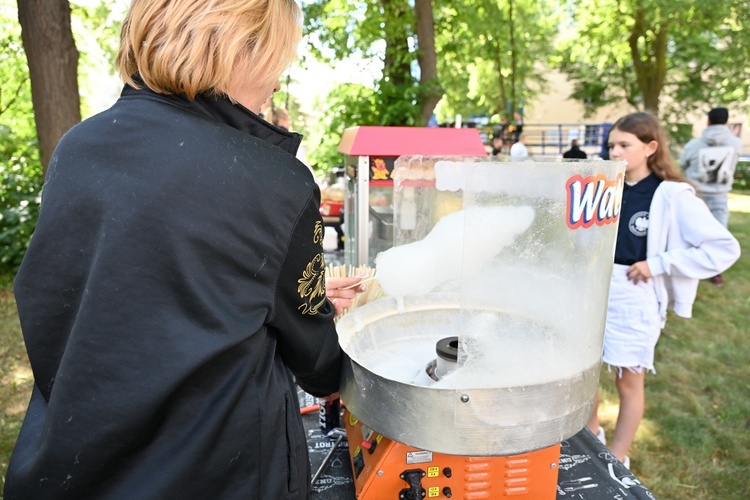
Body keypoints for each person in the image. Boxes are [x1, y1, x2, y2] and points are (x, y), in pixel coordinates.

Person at [4, 1, 365, 499]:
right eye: (279, 58)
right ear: (241, 51)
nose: (279, 79)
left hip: (74, 464)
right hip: (216, 473)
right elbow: (320, 363)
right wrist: (316, 311)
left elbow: (118, 294)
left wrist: (281, 295)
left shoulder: (78, 147)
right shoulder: (274, 181)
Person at [586, 111, 740, 470]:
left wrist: (658, 264)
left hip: (634, 293)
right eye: (611, 145)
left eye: (625, 145)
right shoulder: (607, 187)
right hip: (595, 289)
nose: (615, 152)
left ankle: (618, 457)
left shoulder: (671, 195)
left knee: (628, 381)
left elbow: (723, 247)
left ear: (651, 147)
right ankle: (592, 437)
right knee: (586, 373)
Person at [679, 106, 743, 285]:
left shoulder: (693, 145)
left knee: (691, 232)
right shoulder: (736, 143)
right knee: (719, 233)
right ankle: (715, 272)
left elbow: (683, 165)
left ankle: (690, 269)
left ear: (708, 121)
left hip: (696, 193)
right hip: (719, 194)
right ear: (727, 122)